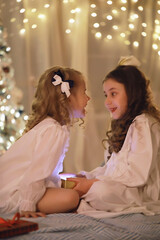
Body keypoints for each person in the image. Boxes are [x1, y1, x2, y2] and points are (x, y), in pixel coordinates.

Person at [68, 56, 160, 218]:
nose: (108, 102)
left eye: (114, 94)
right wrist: (88, 176)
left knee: (100, 191)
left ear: (133, 93)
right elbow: (110, 167)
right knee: (87, 185)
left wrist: (94, 183)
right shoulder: (123, 124)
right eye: (106, 95)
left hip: (139, 192)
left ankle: (82, 199)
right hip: (121, 187)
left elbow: (137, 175)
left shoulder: (143, 123)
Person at [0, 66, 90, 218]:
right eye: (84, 92)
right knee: (72, 197)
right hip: (14, 193)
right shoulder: (54, 130)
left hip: (15, 187)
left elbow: (45, 172)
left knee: (69, 189)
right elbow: (36, 172)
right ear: (68, 97)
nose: (88, 98)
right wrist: (27, 204)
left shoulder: (51, 126)